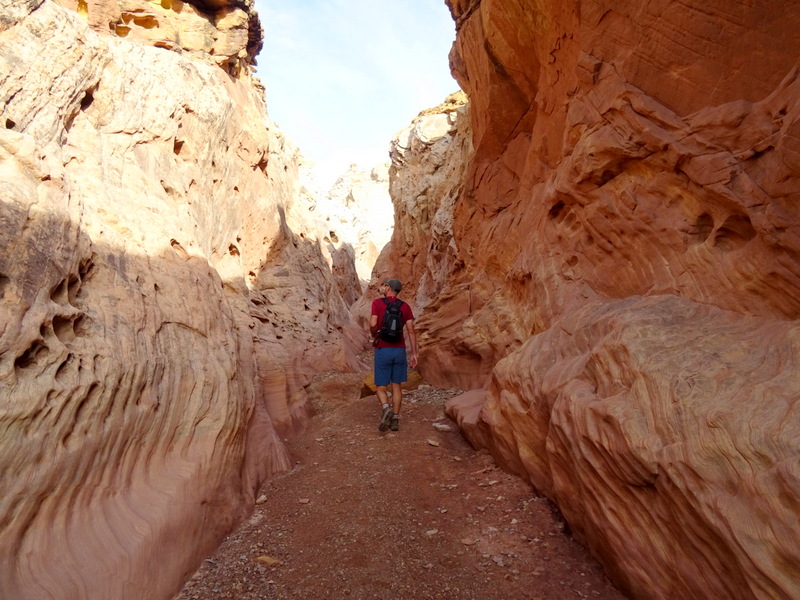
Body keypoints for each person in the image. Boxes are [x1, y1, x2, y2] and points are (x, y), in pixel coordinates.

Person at [370, 278, 418, 431]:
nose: (383, 287)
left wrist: (374, 334)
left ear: (389, 288)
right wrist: (414, 353)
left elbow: (372, 324)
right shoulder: (405, 307)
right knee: (397, 386)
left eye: (385, 285)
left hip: (383, 349)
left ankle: (386, 409)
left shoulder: (377, 303)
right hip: (399, 350)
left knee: (381, 386)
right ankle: (395, 419)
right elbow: (411, 331)